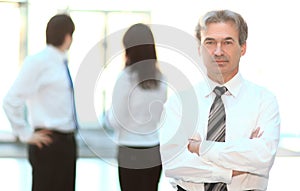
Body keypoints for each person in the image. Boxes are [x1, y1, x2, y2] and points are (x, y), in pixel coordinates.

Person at [159, 10, 280, 191]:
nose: (218, 51)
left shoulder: (264, 100)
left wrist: (200, 148)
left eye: (227, 42)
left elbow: (262, 157)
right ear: (199, 49)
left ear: (243, 47)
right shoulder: (179, 102)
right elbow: (174, 164)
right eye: (210, 42)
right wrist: (232, 170)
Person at [3, 14, 77, 191]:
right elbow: (10, 100)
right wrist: (25, 133)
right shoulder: (37, 62)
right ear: (68, 36)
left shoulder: (61, 62)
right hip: (48, 143)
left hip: (67, 144)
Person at [104, 23, 168, 191]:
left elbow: (116, 120)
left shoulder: (126, 78)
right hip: (154, 149)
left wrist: (107, 117)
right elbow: (159, 115)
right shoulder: (161, 79)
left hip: (130, 150)